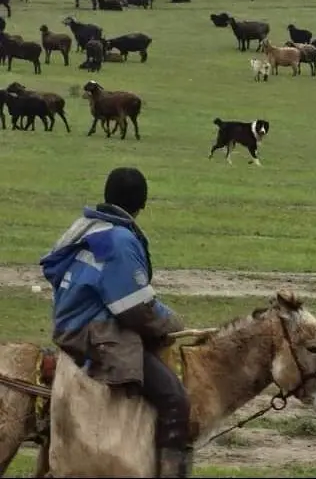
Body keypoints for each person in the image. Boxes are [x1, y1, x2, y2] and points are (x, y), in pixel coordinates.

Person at [40, 167, 192, 478]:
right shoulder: (121, 240)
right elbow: (136, 310)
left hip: (68, 321)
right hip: (93, 331)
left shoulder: (87, 225)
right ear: (142, 204)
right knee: (175, 399)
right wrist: (173, 323)